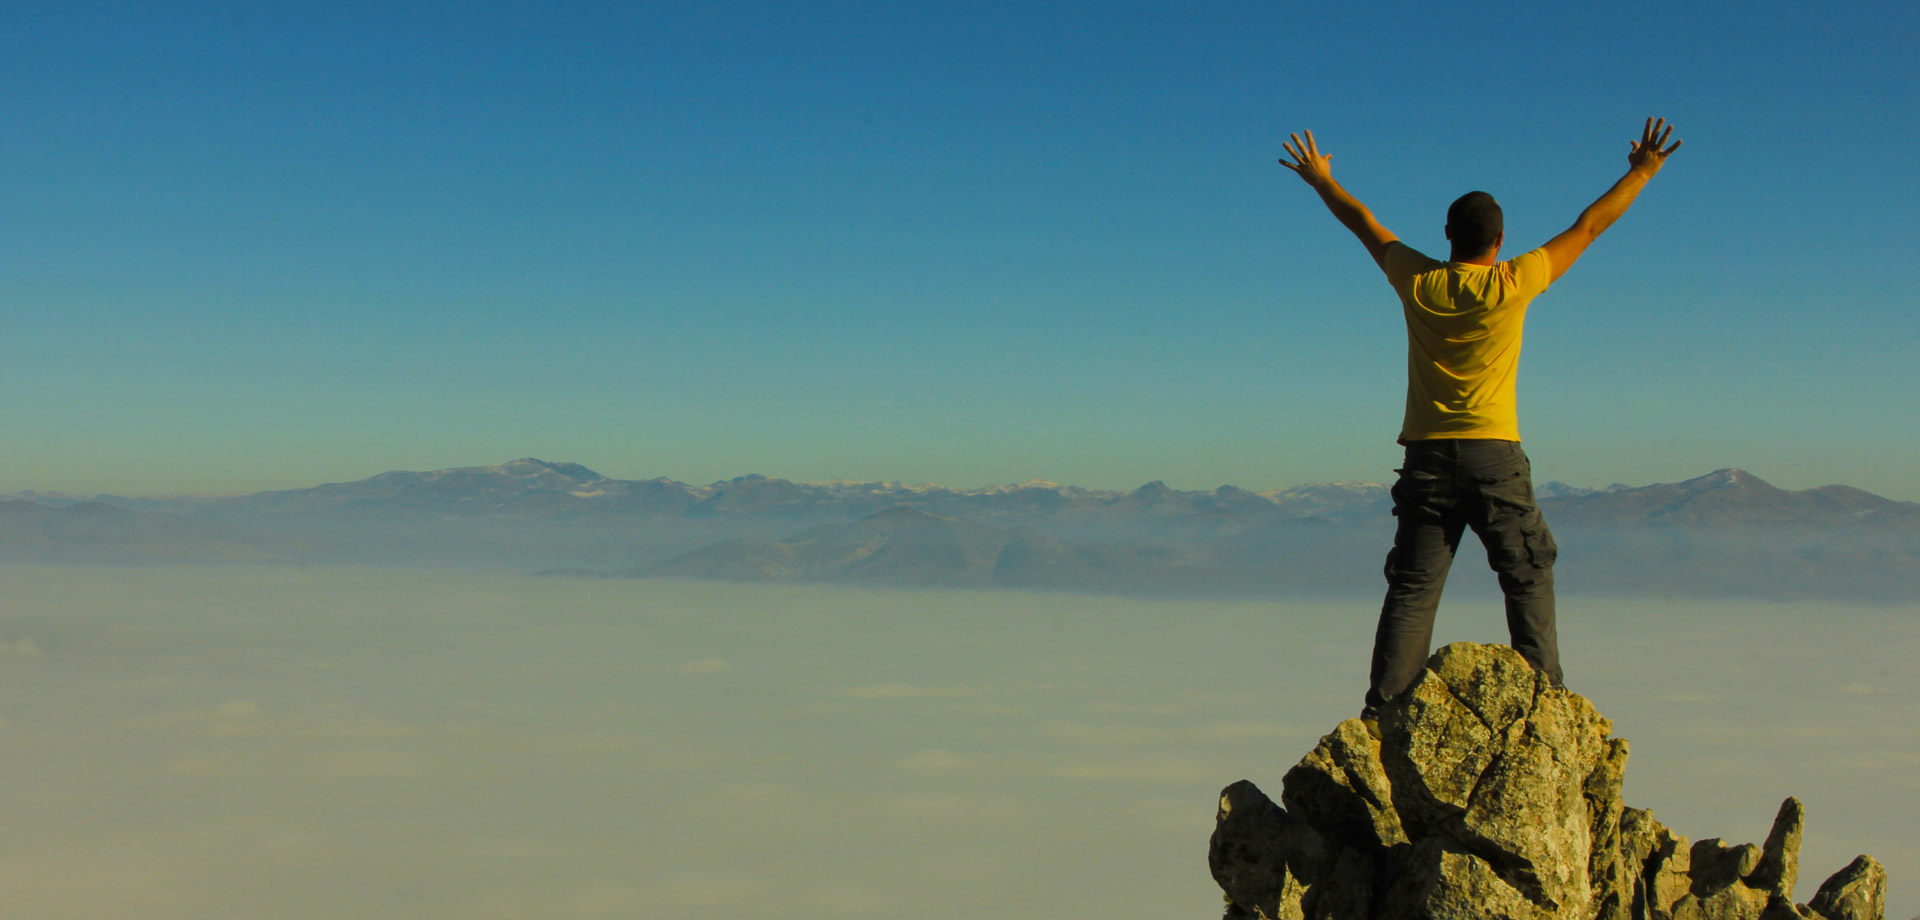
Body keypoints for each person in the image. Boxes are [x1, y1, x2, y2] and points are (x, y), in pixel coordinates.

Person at [1276, 118, 1683, 727]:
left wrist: (1321, 180)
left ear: (1446, 236)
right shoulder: (1513, 283)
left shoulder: (1420, 280)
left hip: (1427, 459)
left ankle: (1383, 716)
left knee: (1412, 591)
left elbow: (1363, 223)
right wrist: (1643, 171)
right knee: (1526, 577)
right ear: (1501, 239)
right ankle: (1546, 711)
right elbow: (1589, 226)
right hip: (1496, 457)